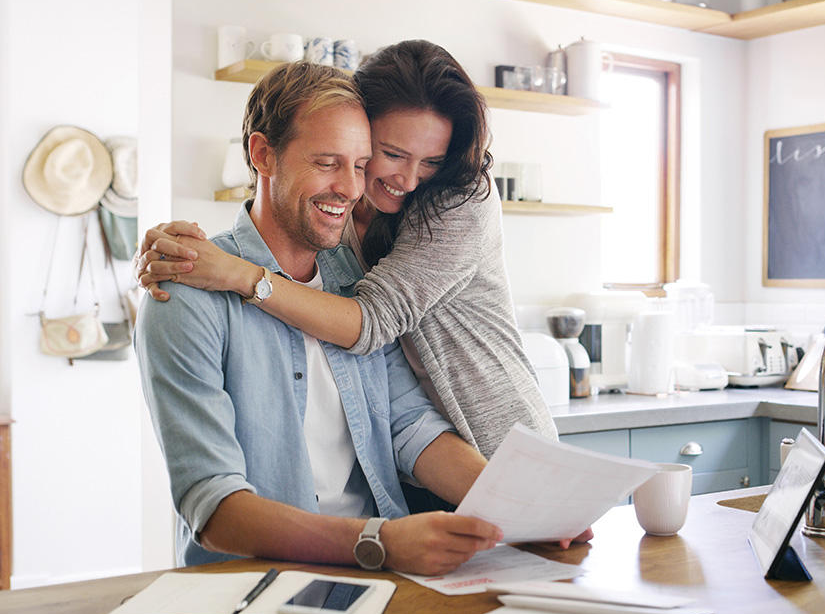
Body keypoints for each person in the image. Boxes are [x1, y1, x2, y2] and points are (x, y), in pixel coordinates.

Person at [135, 61, 508, 575]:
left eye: (360, 165)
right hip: (254, 586)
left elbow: (409, 425)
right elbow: (213, 505)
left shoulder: (354, 282)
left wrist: (521, 507)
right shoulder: (186, 293)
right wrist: (380, 541)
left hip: (379, 573)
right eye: (327, 162)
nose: (351, 188)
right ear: (263, 154)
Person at [135, 40, 557, 463]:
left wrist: (236, 273)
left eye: (431, 161)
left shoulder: (459, 202)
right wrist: (175, 246)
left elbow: (371, 321)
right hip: (414, 462)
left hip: (499, 444)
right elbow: (279, 204)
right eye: (391, 154)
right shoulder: (344, 214)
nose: (410, 180)